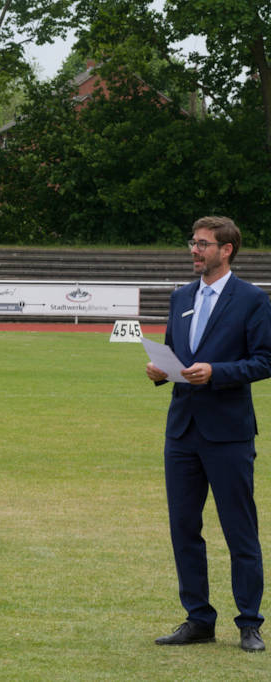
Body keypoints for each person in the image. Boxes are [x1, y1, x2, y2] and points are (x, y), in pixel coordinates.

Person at [145, 216, 271, 652]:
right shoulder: (181, 296)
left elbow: (264, 361)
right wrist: (161, 371)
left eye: (203, 244)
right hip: (182, 432)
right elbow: (176, 354)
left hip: (229, 434)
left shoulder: (252, 300)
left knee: (240, 530)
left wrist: (216, 373)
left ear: (226, 249)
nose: (194, 251)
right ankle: (198, 618)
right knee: (184, 528)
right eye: (193, 243)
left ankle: (250, 623)